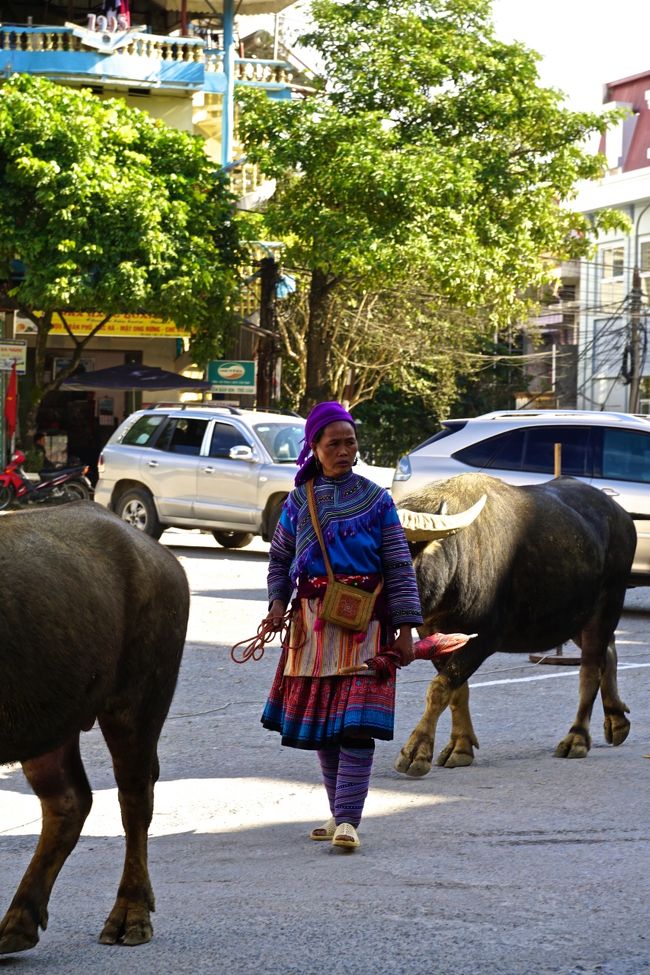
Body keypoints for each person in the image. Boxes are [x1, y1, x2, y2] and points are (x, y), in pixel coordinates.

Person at [261, 401, 423, 852]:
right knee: (323, 726)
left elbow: (398, 566)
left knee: (355, 725)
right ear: (314, 448)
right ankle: (339, 816)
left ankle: (349, 819)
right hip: (310, 627)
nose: (344, 450)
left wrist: (406, 628)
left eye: (350, 442)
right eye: (334, 444)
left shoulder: (377, 500)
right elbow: (279, 559)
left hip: (365, 626)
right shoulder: (298, 500)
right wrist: (277, 604)